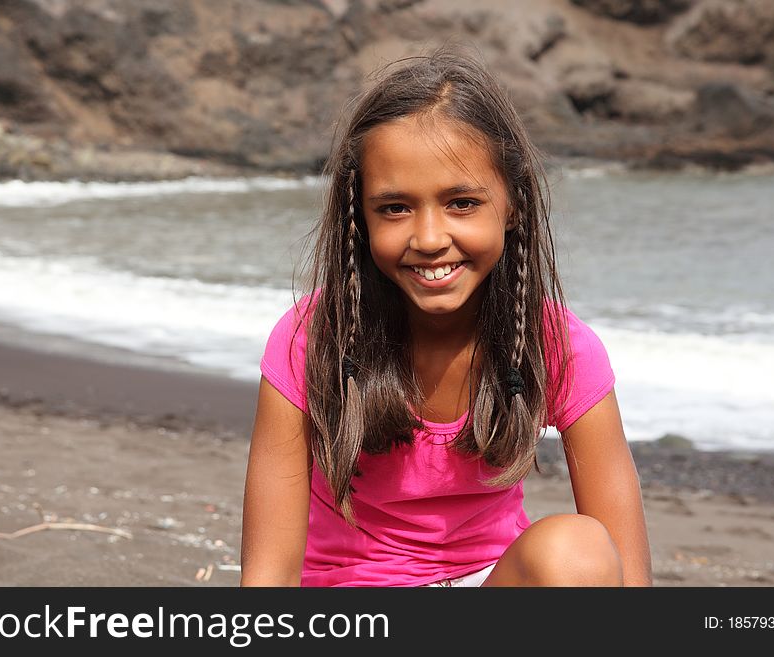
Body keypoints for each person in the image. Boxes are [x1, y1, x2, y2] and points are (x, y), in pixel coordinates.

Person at [240, 46, 652, 587]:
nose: (430, 239)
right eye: (395, 207)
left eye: (461, 202)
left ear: (513, 205)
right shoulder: (314, 339)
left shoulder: (556, 346)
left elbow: (627, 575)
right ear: (359, 218)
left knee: (576, 550)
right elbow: (266, 578)